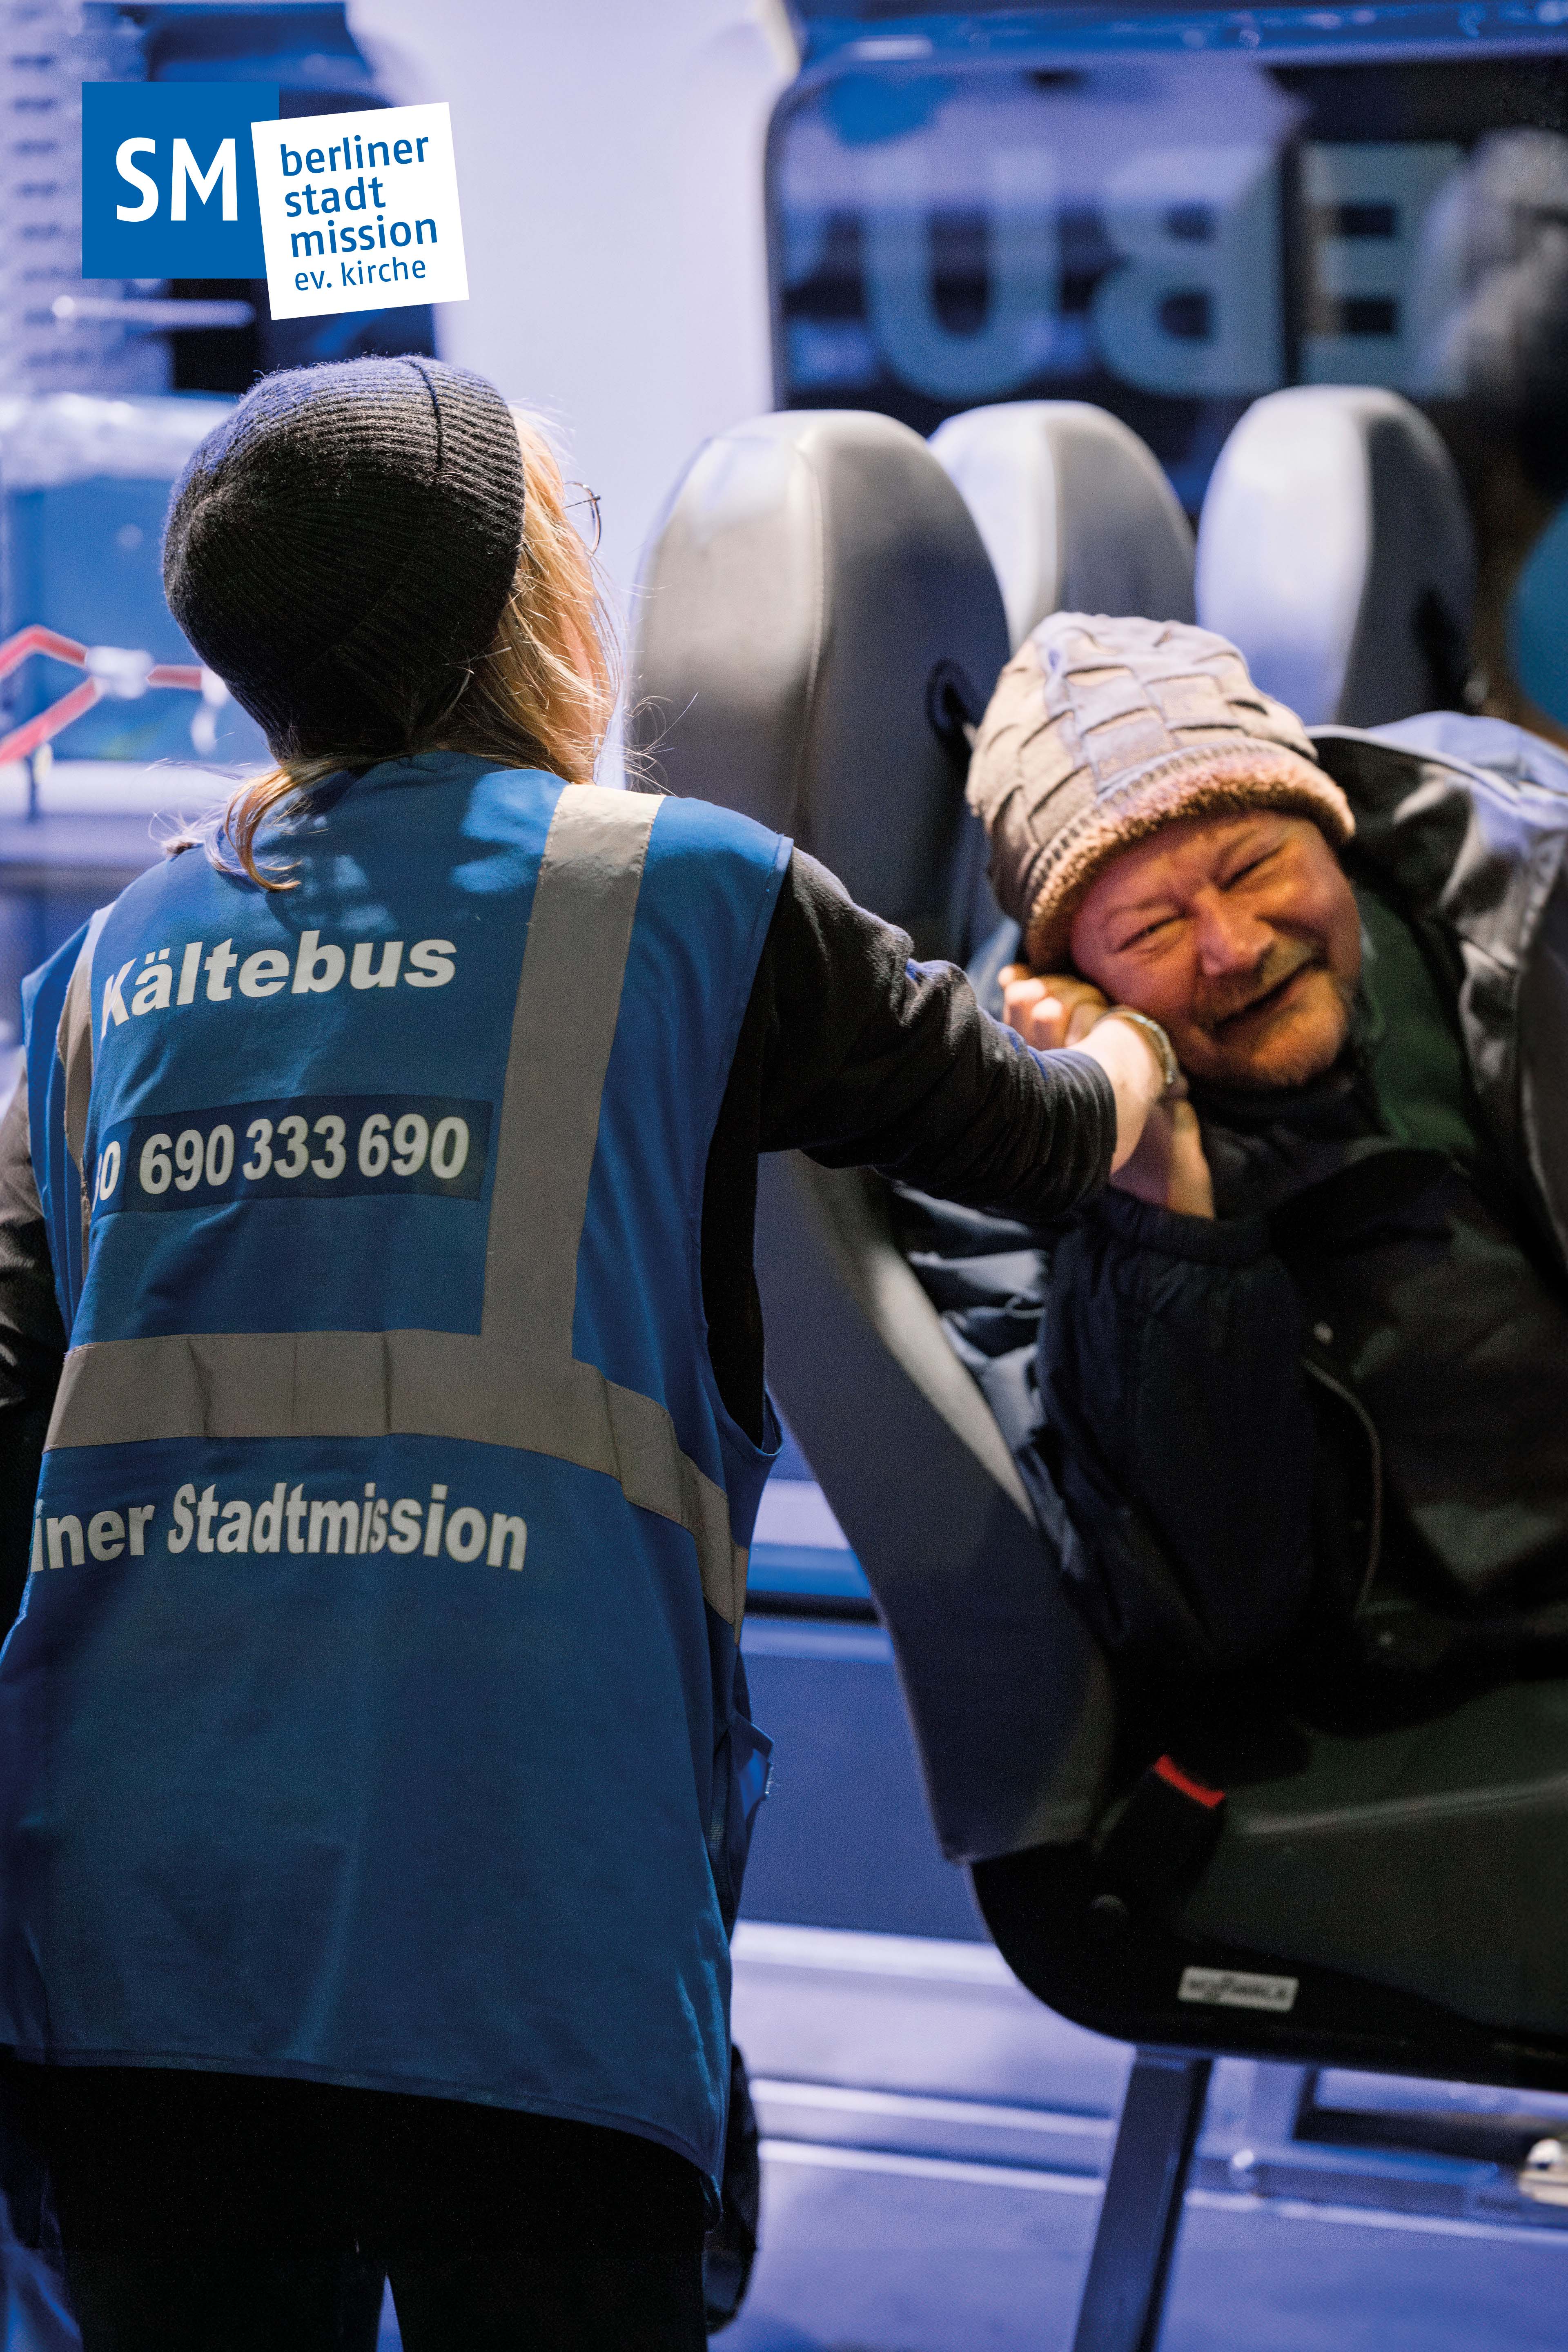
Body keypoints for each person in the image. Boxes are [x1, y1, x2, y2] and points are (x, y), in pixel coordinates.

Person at [0, 360, 1170, 2352]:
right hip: (524, 1915)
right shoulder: (691, 898)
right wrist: (1128, 1041)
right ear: (519, 601)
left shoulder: (99, 976)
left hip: (135, 1931)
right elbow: (1040, 1138)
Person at [954, 609, 1568, 1740]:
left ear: (1333, 832)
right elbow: (1216, 1621)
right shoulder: (1007, 1152)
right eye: (1152, 931)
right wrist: (1160, 1210)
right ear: (1071, 978)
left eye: (1254, 866)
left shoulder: (1533, 911)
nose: (1233, 946)